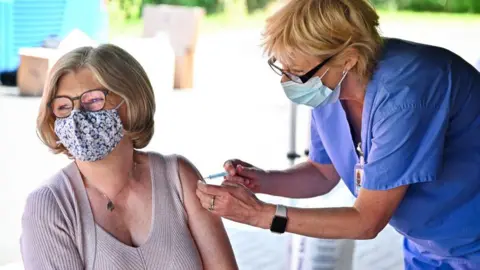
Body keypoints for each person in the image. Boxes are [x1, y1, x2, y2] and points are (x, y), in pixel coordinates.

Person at [195, 0, 480, 269]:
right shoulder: (331, 89)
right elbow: (322, 173)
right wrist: (260, 180)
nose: (287, 81)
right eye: (282, 69)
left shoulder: (405, 94)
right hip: (429, 245)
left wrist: (258, 214)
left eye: (298, 73)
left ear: (348, 59)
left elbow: (366, 221)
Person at [21, 44, 238, 270]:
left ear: (131, 100)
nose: (77, 117)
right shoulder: (49, 206)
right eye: (64, 106)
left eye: (93, 100)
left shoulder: (179, 178)